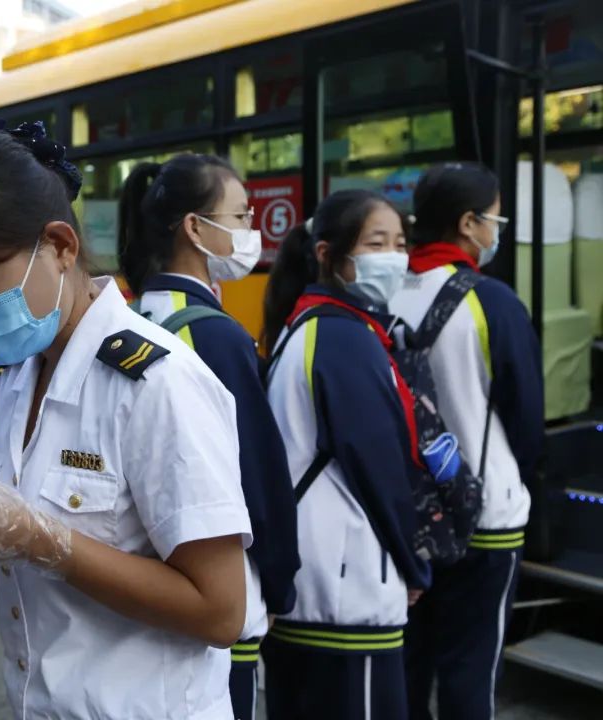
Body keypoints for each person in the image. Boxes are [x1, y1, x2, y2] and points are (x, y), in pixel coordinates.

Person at [0, 122, 252, 720]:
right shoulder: (15, 380)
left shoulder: (157, 385)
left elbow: (220, 612)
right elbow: (16, 572)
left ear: (60, 245)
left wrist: (46, 540)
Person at [117, 154, 300, 719]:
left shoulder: (132, 317)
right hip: (221, 599)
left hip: (153, 591)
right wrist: (278, 584)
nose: (251, 232)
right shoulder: (213, 335)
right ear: (196, 228)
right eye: (241, 217)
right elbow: (260, 478)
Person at [260, 189, 431, 720]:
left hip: (314, 584)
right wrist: (413, 565)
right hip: (344, 592)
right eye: (376, 242)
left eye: (400, 242)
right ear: (328, 255)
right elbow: (379, 470)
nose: (394, 256)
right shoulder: (342, 336)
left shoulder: (311, 325)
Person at [391, 163, 544, 720]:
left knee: (410, 662)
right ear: (468, 223)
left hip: (406, 515)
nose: (496, 229)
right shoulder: (493, 302)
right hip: (485, 517)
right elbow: (527, 419)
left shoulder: (386, 294)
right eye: (495, 218)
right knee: (470, 673)